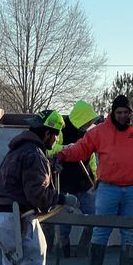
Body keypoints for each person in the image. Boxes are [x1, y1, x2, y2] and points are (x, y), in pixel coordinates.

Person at [56, 94, 133, 265]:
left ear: (131, 113)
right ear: (113, 113)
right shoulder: (100, 131)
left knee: (130, 230)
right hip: (108, 188)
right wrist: (62, 154)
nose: (122, 116)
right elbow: (81, 149)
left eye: (126, 112)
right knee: (101, 228)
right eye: (119, 112)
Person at [0, 110, 78, 265]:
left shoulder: (16, 151)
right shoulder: (33, 155)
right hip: (18, 218)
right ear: (47, 134)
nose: (56, 140)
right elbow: (36, 193)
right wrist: (61, 198)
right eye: (55, 135)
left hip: (0, 216)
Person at [48, 100, 99, 257]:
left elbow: (91, 160)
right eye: (89, 120)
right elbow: (50, 149)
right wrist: (65, 148)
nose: (90, 123)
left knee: (94, 219)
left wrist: (96, 178)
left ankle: (84, 249)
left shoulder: (87, 135)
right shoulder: (62, 130)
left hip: (84, 184)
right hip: (64, 184)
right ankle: (64, 249)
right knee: (64, 222)